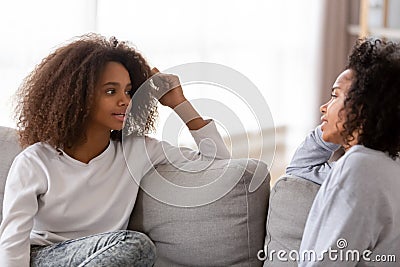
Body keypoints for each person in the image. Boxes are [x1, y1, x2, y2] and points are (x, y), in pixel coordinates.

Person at [0, 33, 230, 266]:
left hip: (109, 255)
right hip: (41, 256)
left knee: (136, 247)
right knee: (135, 245)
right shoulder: (35, 160)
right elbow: (12, 241)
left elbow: (218, 162)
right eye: (111, 91)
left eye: (129, 91)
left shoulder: (137, 151)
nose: (125, 101)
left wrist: (179, 103)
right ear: (77, 97)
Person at [287, 38, 400, 266]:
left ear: (361, 106)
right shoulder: (385, 165)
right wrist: (338, 127)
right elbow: (299, 169)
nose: (324, 106)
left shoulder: (361, 168)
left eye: (335, 95)